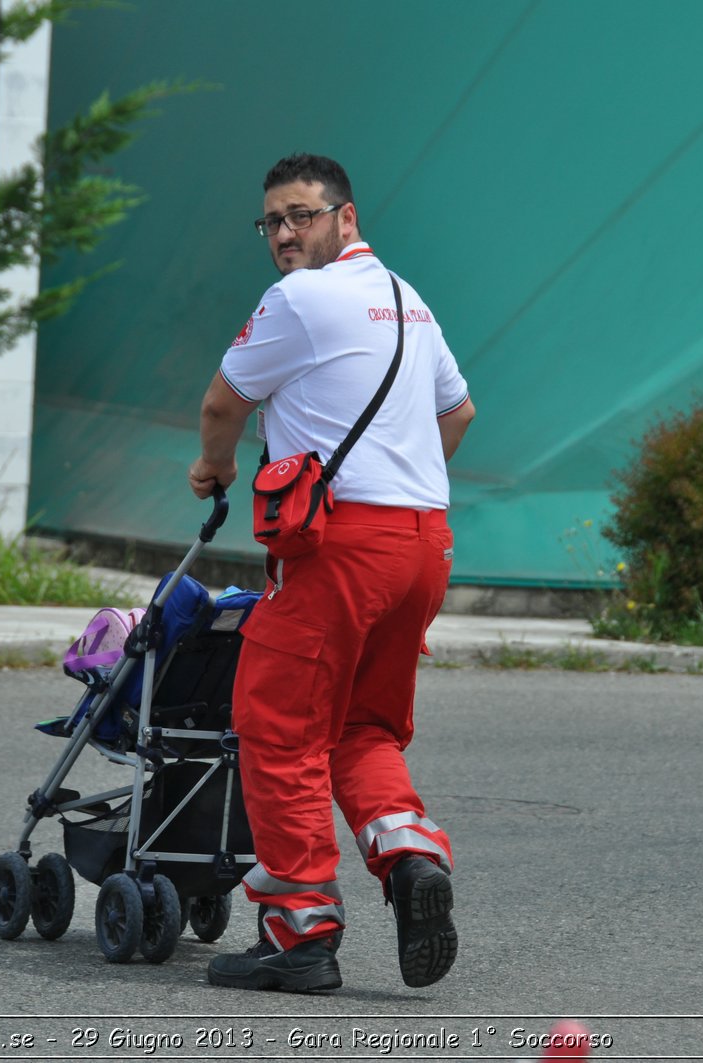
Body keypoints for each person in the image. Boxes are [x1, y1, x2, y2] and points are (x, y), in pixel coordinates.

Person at [187, 153, 476, 993]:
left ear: (346, 219)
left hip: (340, 549)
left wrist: (214, 470)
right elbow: (456, 413)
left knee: (277, 724)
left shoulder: (301, 298)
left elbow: (221, 407)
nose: (283, 233)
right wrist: (399, 475)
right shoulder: (409, 299)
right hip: (423, 545)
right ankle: (411, 856)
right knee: (363, 728)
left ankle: (301, 929)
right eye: (271, 220)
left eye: (301, 215)